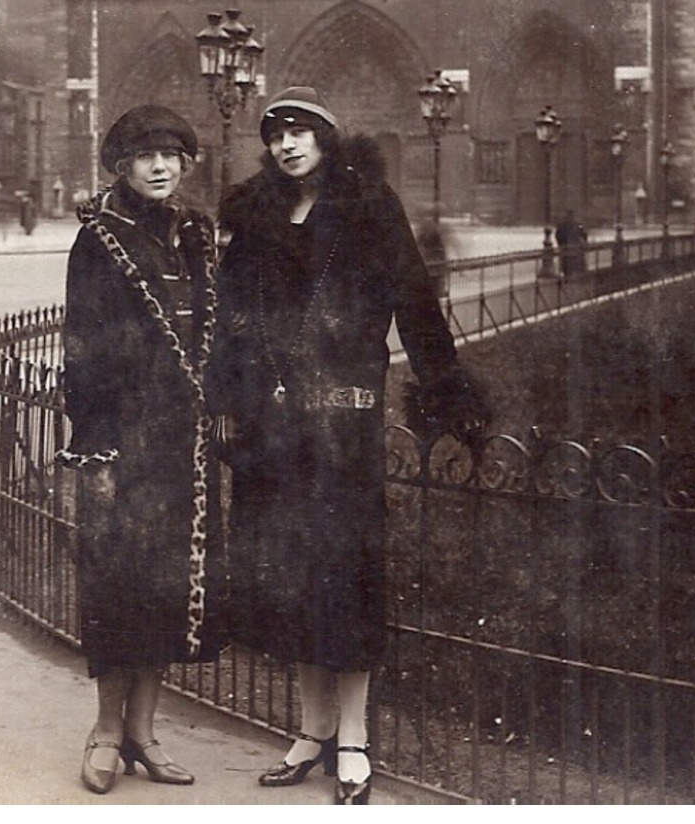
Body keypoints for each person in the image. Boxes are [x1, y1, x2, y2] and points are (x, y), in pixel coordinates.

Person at [209, 87, 488, 806]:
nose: (286, 145)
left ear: (327, 139)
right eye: (275, 136)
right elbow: (231, 316)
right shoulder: (256, 215)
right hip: (275, 426)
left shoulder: (370, 207)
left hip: (343, 424)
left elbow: (416, 302)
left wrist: (447, 392)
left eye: (299, 132)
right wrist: (229, 398)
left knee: (347, 575)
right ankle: (311, 731)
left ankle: (355, 739)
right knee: (291, 575)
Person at [59, 105, 226, 795]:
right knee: (116, 589)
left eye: (172, 155)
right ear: (121, 166)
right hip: (124, 442)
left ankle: (144, 735)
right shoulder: (100, 242)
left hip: (181, 445)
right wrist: (94, 446)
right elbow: (84, 352)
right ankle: (104, 732)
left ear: (186, 165)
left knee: (166, 589)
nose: (160, 167)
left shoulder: (194, 238)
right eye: (145, 156)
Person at [554, 209, 587, 277]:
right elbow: (583, 234)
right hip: (574, 246)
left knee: (565, 261)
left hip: (565, 246)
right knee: (574, 261)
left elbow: (558, 234)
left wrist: (560, 244)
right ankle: (572, 274)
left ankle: (566, 274)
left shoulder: (562, 224)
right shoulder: (577, 224)